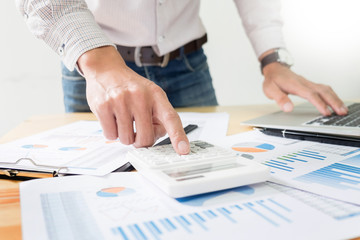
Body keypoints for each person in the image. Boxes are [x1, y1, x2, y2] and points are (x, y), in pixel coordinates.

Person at [16, 0, 348, 155]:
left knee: (208, 168)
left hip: (187, 65)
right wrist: (100, 64)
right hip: (95, 68)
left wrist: (272, 57)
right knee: (96, 185)